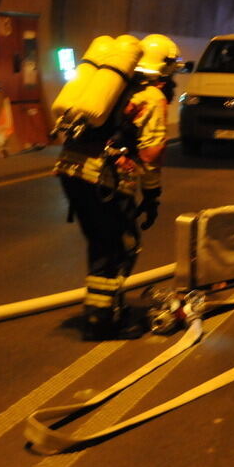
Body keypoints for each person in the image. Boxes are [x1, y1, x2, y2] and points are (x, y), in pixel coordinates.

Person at [54, 34, 179, 340]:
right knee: (119, 246)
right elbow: (152, 153)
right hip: (105, 178)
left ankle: (102, 311)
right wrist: (152, 194)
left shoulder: (116, 86)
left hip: (71, 170)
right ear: (164, 70)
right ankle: (103, 320)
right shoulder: (151, 97)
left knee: (101, 243)